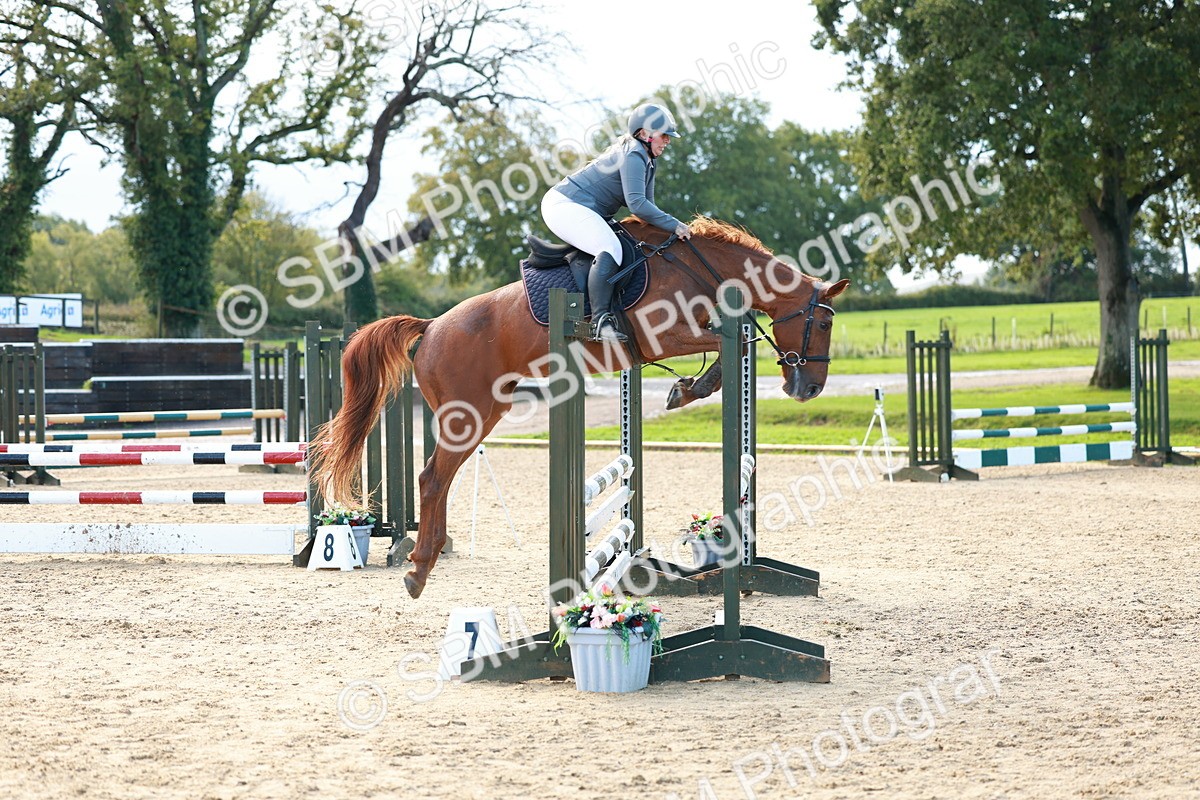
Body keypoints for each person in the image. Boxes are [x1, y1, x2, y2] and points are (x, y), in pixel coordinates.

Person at [541, 103, 692, 342]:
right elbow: (637, 205)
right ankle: (601, 321)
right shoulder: (633, 153)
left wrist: (669, 230)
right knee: (610, 248)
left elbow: (647, 208)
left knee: (625, 244)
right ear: (645, 133)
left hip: (582, 208)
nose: (667, 141)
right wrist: (676, 225)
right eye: (664, 135)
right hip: (565, 206)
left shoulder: (648, 159)